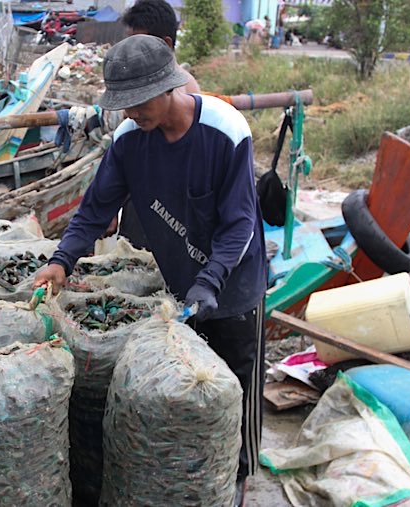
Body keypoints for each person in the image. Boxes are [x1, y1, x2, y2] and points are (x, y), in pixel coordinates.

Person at [33, 35, 266, 507]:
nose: (131, 112)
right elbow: (95, 209)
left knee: (236, 392)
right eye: (123, 104)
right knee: (184, 393)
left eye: (138, 101)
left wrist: (211, 281)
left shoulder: (225, 129)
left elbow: (240, 222)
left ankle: (238, 480)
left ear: (169, 87)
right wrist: (61, 260)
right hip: (182, 285)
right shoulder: (128, 141)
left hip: (234, 286)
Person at [109, 0, 200, 248]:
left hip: (166, 206)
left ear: (166, 44)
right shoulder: (136, 86)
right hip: (139, 199)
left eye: (139, 46)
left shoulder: (185, 92)